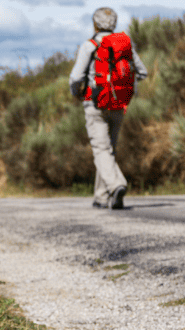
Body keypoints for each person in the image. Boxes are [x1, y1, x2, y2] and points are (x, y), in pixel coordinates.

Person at [68, 7, 148, 209]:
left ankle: (116, 185)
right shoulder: (124, 45)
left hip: (95, 103)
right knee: (108, 150)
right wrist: (124, 86)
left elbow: (76, 77)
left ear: (95, 24)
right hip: (119, 104)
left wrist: (76, 92)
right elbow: (143, 72)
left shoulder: (90, 45)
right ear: (114, 24)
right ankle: (101, 196)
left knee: (101, 149)